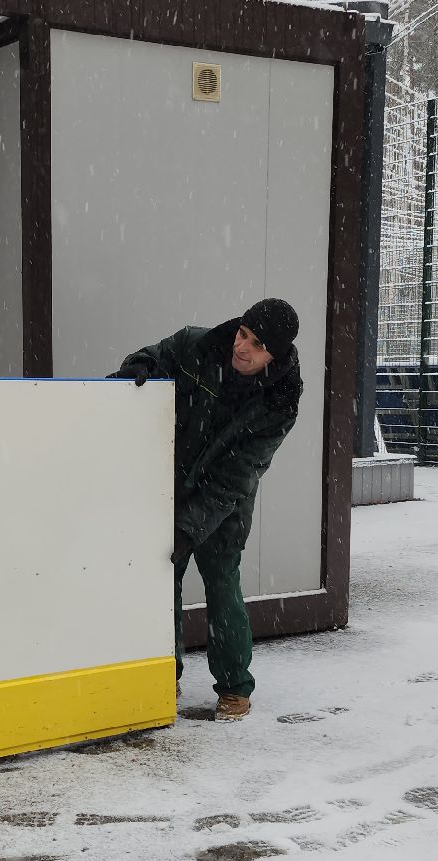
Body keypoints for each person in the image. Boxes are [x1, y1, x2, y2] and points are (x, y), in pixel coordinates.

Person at [111, 298, 303, 721]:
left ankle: (235, 687)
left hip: (224, 503)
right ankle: (165, 673)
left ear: (276, 355)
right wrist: (137, 368)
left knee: (221, 583)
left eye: (257, 345)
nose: (242, 347)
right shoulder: (198, 346)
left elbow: (236, 476)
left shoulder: (279, 402)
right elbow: (153, 355)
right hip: (173, 486)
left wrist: (188, 528)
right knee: (165, 582)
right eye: (243, 334)